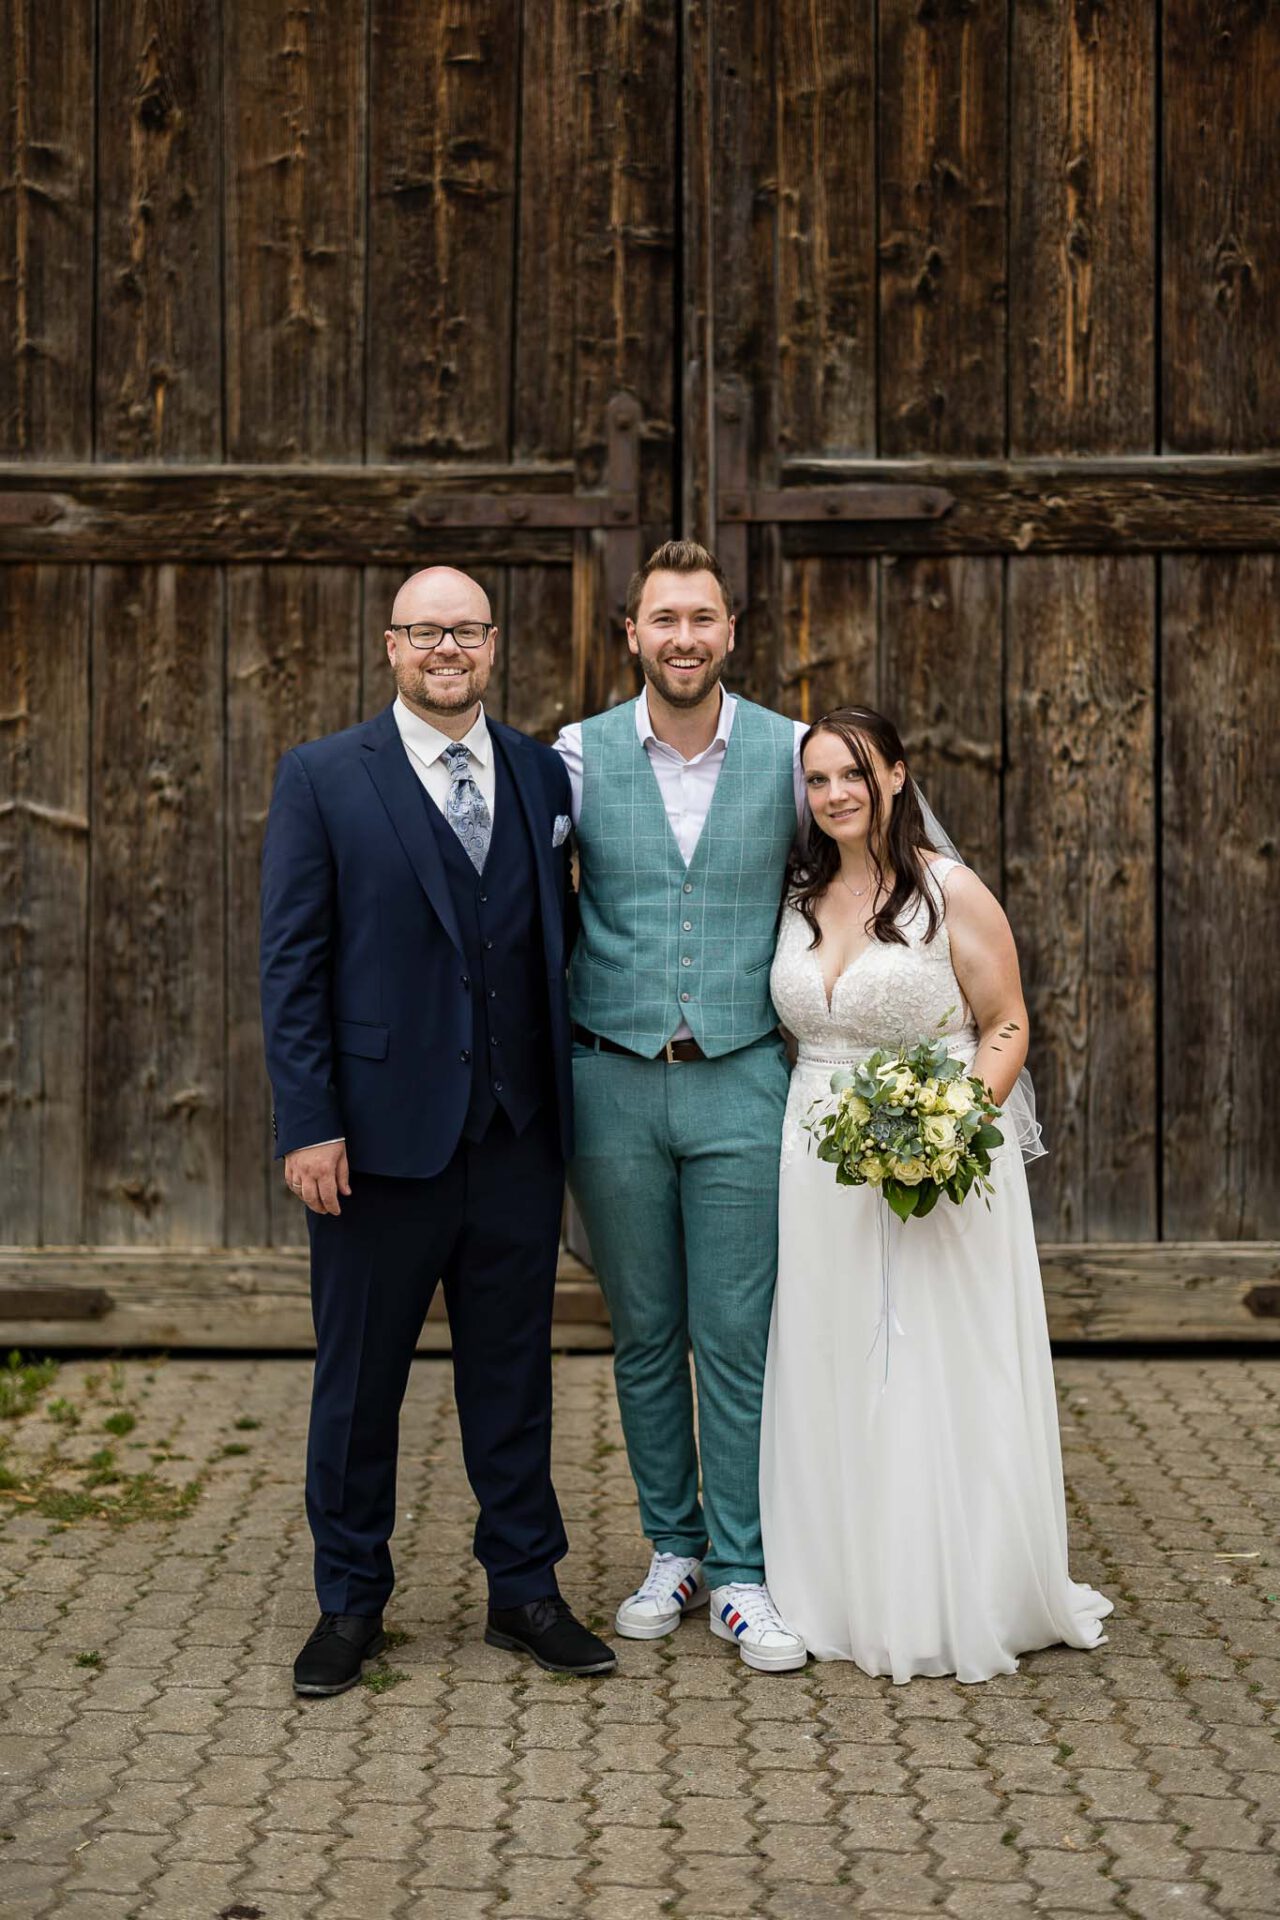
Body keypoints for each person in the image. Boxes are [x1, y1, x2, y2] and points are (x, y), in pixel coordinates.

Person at [260, 565, 615, 1693]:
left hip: (513, 1135)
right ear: (390, 647)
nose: (445, 648)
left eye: (464, 630)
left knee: (511, 1377)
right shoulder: (323, 777)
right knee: (359, 1383)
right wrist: (311, 1125)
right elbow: (292, 967)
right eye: (425, 632)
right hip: (374, 1144)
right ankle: (348, 1603)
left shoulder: (535, 770)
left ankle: (524, 1590)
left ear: (493, 644)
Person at [760, 705, 1113, 1683]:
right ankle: (835, 1580)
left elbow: (1004, 1025)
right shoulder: (799, 893)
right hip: (814, 1154)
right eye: (819, 778)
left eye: (854, 774)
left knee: (928, 1361)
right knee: (834, 1353)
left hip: (935, 1160)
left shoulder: (948, 890)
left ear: (898, 775)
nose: (835, 794)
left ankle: (954, 1586)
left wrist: (945, 1127)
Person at [555, 539, 808, 1673]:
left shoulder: (798, 756)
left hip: (742, 1077)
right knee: (644, 1333)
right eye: (663, 620)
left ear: (730, 633)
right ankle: (674, 1547)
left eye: (701, 618)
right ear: (631, 635)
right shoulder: (573, 756)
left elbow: (867, 877)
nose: (683, 639)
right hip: (609, 1078)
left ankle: (744, 1574)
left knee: (735, 1337)